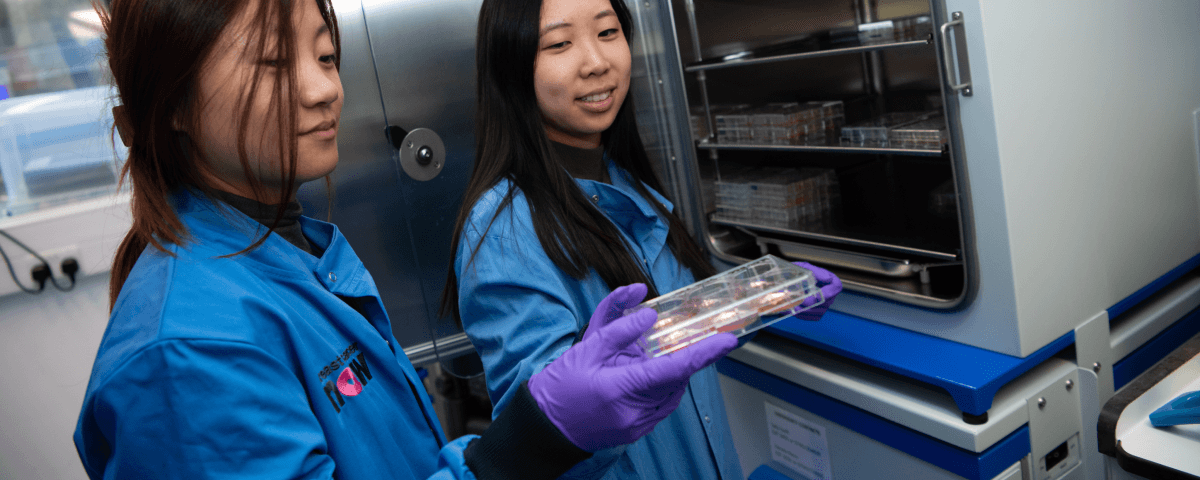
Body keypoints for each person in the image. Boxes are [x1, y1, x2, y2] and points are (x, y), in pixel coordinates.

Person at [72, 0, 738, 478]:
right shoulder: (188, 351)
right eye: (272, 64)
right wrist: (526, 443)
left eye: (326, 56)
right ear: (173, 103)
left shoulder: (299, 255)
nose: (324, 89)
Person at [442, 0, 844, 478]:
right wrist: (577, 423)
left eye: (608, 32)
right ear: (510, 67)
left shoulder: (625, 182)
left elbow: (678, 328)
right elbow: (537, 456)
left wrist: (759, 296)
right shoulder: (503, 231)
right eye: (560, 43)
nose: (597, 62)